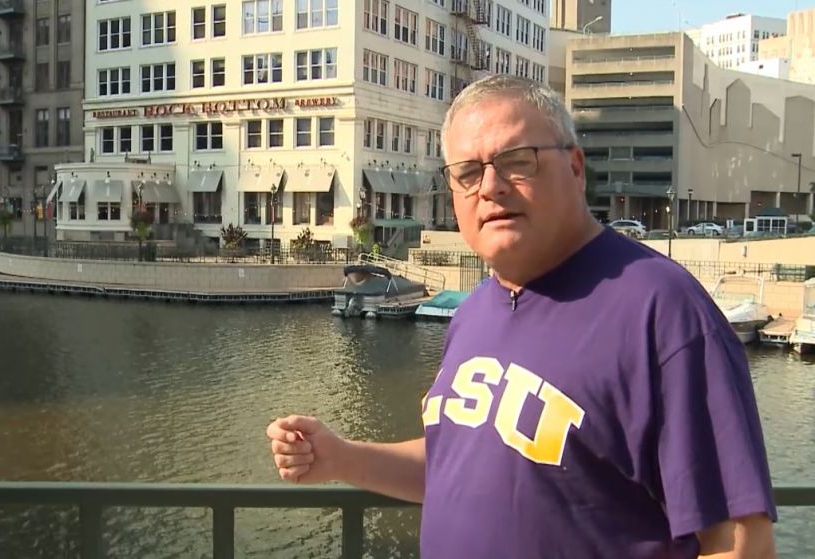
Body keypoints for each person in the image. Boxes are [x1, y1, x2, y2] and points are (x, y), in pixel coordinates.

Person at [267, 75, 777, 558]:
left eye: (516, 161)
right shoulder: (474, 313)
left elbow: (739, 541)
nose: (490, 186)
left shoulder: (664, 310)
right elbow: (456, 465)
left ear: (575, 168)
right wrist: (341, 457)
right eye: (468, 173)